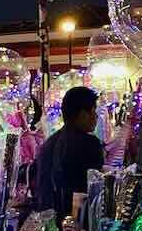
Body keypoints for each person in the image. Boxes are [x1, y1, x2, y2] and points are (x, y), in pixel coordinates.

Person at [34, 86, 104, 221]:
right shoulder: (90, 144)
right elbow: (94, 192)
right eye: (93, 111)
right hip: (77, 225)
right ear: (83, 114)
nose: (95, 117)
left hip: (49, 223)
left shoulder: (48, 144)